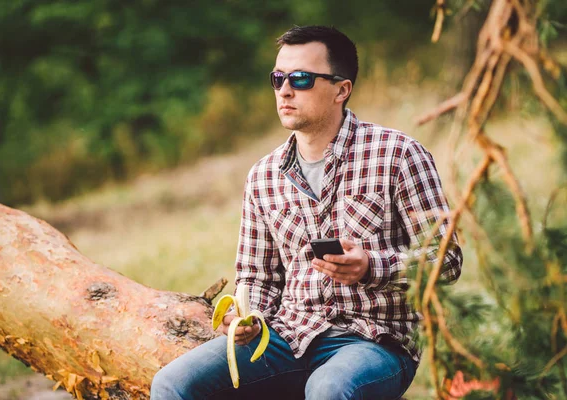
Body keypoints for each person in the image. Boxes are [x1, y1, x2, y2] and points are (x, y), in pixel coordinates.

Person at [151, 25, 462, 400]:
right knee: (172, 384)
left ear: (341, 89)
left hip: (376, 341)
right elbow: (256, 277)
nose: (284, 90)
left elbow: (447, 260)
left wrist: (372, 267)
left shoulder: (399, 155)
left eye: (301, 79)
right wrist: (248, 319)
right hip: (287, 337)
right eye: (278, 78)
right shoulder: (263, 176)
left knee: (329, 388)